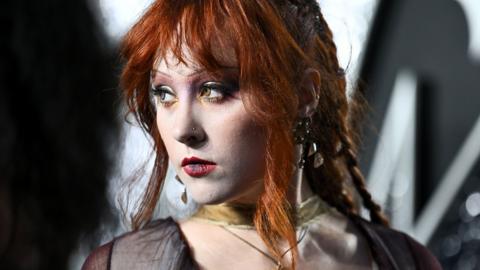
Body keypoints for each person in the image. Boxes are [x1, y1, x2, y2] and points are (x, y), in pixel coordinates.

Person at [83, 0, 442, 269]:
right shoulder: (124, 264)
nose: (182, 130)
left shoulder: (404, 261)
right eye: (165, 94)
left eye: (214, 90)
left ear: (303, 94)